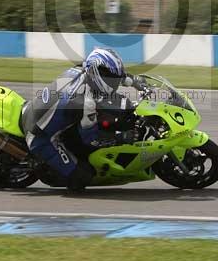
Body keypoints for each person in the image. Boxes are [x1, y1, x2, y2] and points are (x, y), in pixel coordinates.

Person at [22, 47, 138, 190]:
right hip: (40, 137)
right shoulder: (84, 103)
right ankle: (55, 170)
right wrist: (120, 138)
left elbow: (115, 74)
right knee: (83, 175)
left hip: (36, 112)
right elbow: (91, 139)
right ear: (97, 73)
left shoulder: (81, 70)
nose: (114, 83)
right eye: (111, 79)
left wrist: (135, 81)